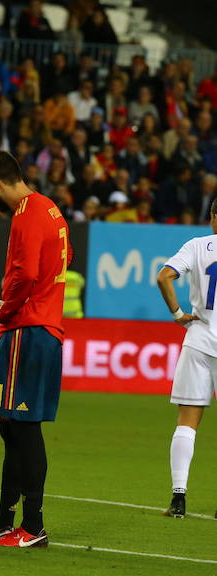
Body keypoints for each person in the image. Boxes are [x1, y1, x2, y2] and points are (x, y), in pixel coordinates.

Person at [0, 149, 71, 548]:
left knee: (24, 429)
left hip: (27, 328)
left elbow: (25, 272)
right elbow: (64, 257)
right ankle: (4, 519)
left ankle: (33, 526)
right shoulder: (51, 210)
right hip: (45, 328)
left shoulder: (26, 212)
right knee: (11, 426)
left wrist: (3, 307)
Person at [156, 200, 217, 518]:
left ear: (213, 218)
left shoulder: (196, 245)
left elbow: (164, 277)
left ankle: (178, 499)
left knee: (187, 424)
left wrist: (179, 314)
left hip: (199, 341)